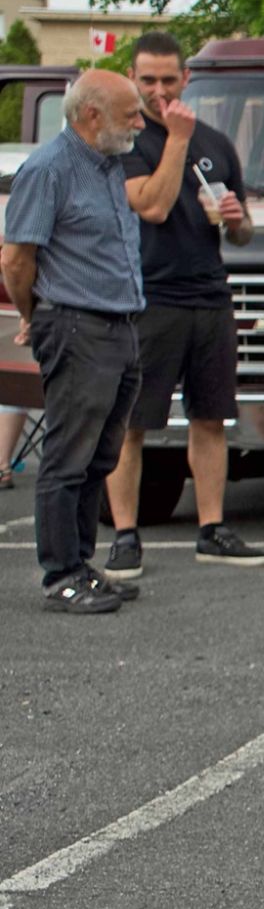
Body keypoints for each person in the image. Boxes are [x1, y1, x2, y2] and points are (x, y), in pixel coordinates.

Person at [103, 31, 264, 579]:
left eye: (169, 80)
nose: (159, 91)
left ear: (186, 78)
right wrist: (176, 139)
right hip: (148, 298)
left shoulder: (216, 142)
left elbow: (242, 232)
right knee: (133, 422)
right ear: (132, 77)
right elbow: (149, 206)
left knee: (211, 416)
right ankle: (125, 535)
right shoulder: (125, 143)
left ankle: (212, 528)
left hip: (209, 296)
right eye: (148, 80)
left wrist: (237, 220)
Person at [0, 69, 149, 612]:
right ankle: (61, 575)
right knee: (68, 456)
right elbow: (17, 258)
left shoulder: (108, 165)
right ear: (91, 115)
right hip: (77, 325)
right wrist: (35, 315)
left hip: (120, 326)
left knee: (99, 455)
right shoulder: (49, 169)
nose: (140, 123)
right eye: (130, 114)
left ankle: (83, 566)